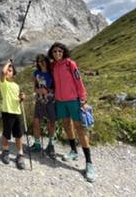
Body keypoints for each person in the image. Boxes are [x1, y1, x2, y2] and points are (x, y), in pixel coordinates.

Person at [48, 42, 95, 182]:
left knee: (80, 128)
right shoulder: (53, 66)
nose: (57, 53)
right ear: (52, 53)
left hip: (73, 100)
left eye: (60, 51)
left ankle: (89, 164)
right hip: (60, 101)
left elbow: (79, 82)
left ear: (64, 52)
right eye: (55, 51)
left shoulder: (70, 64)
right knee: (67, 125)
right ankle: (74, 151)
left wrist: (83, 100)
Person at [0, 59, 26, 170]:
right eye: (8, 70)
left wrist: (22, 98)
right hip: (7, 112)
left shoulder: (16, 85)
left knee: (18, 135)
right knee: (6, 134)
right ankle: (5, 151)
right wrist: (9, 62)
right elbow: (2, 72)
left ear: (13, 74)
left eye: (10, 71)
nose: (7, 72)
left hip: (17, 112)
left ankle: (20, 154)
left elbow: (17, 99)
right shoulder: (3, 83)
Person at [28, 54, 56, 158]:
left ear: (47, 62)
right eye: (39, 61)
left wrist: (46, 90)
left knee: (51, 123)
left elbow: (54, 87)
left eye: (43, 61)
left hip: (50, 101)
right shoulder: (36, 73)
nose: (41, 63)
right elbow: (35, 88)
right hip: (40, 101)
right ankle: (37, 144)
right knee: (36, 122)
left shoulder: (52, 73)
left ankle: (50, 144)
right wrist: (40, 90)